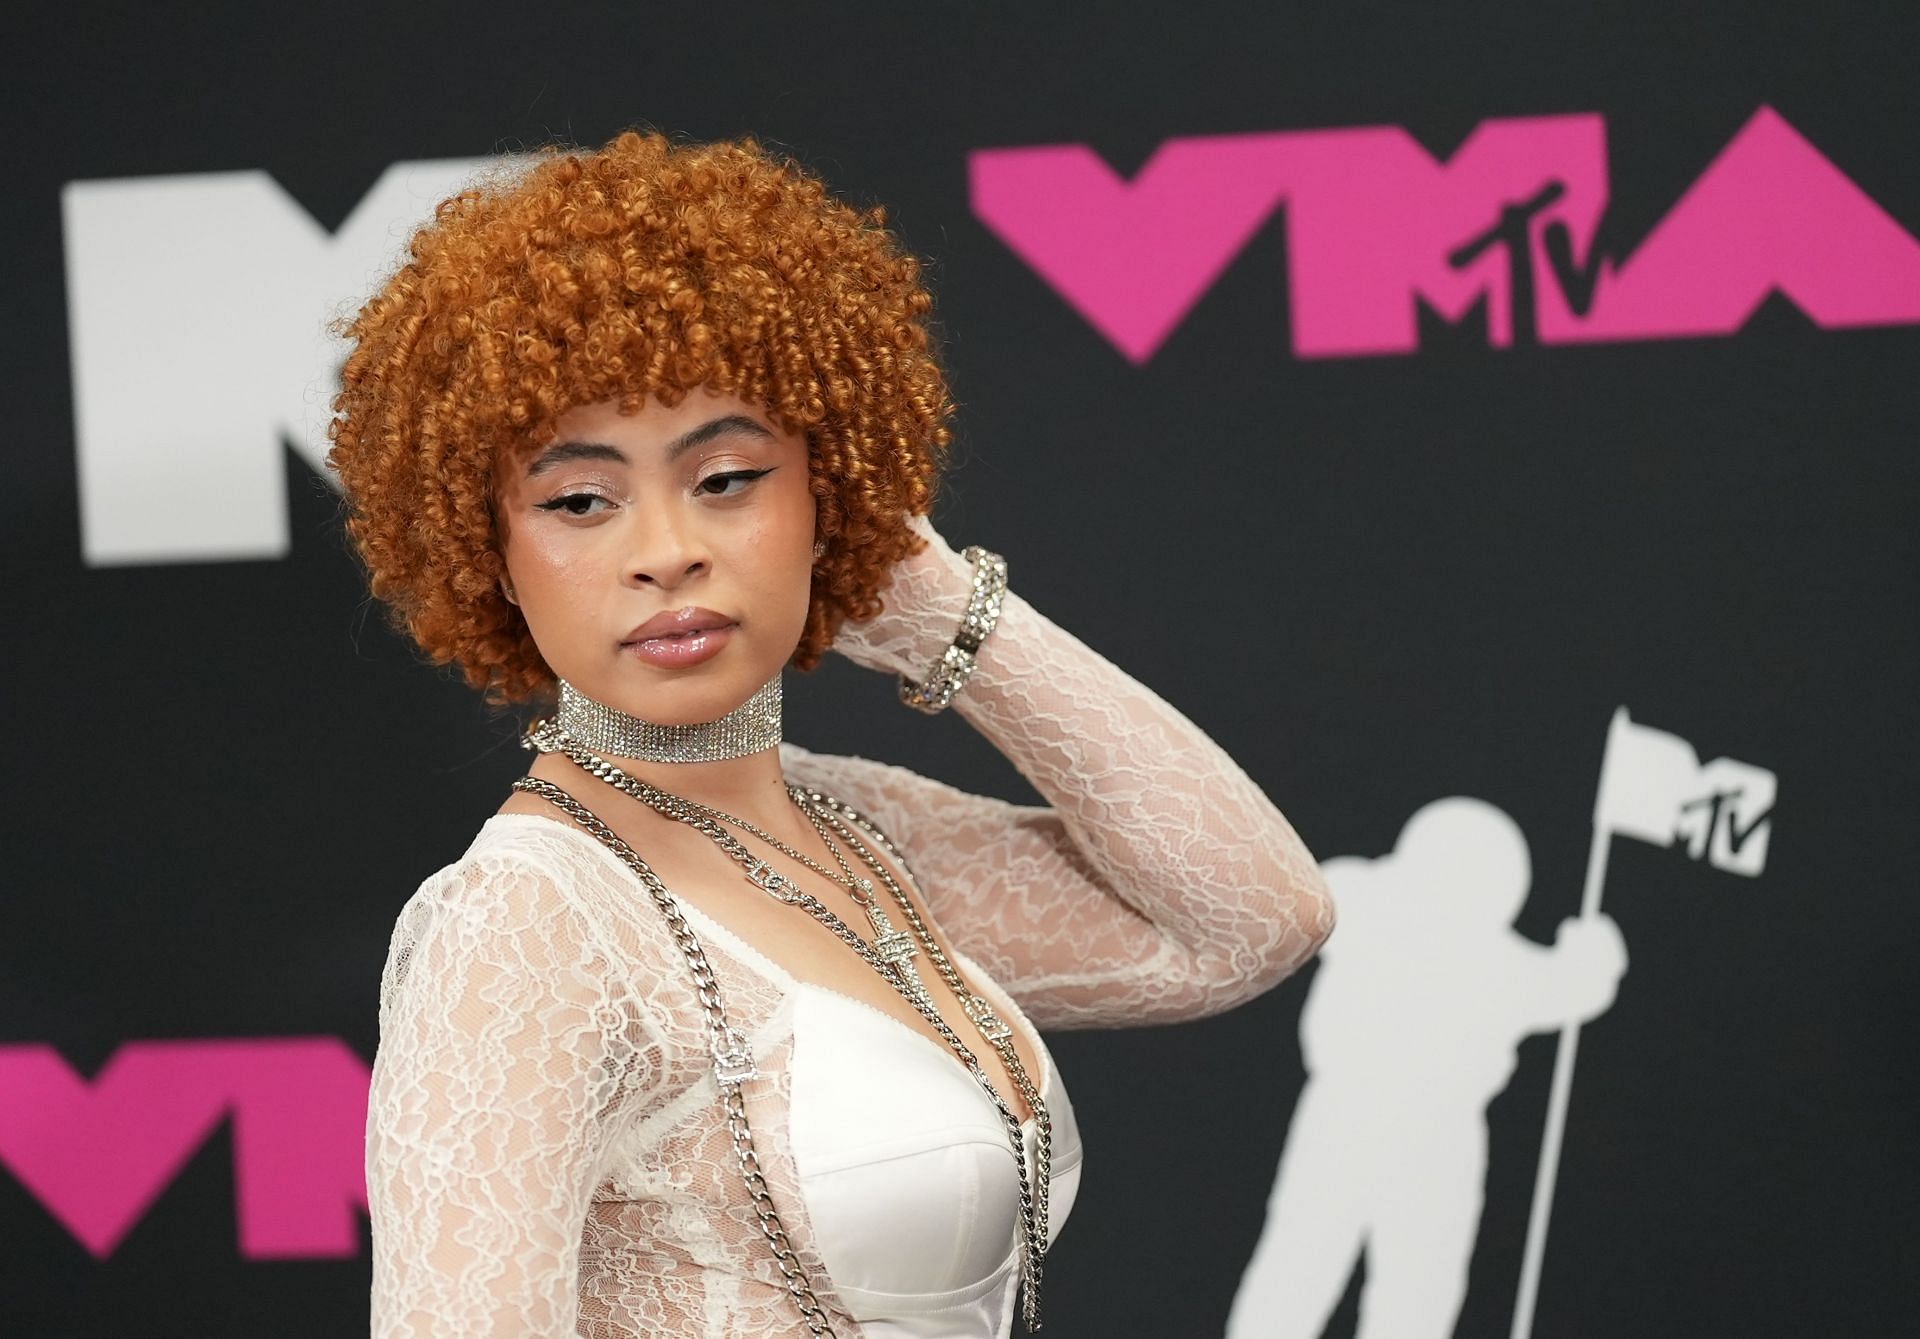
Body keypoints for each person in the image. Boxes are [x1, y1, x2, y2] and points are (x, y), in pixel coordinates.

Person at [325, 127, 1336, 1339]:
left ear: (833, 487)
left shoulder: (854, 835)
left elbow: (1255, 920)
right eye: (580, 501)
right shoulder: (526, 926)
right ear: (486, 551)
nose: (665, 550)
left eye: (728, 477)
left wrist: (931, 605)